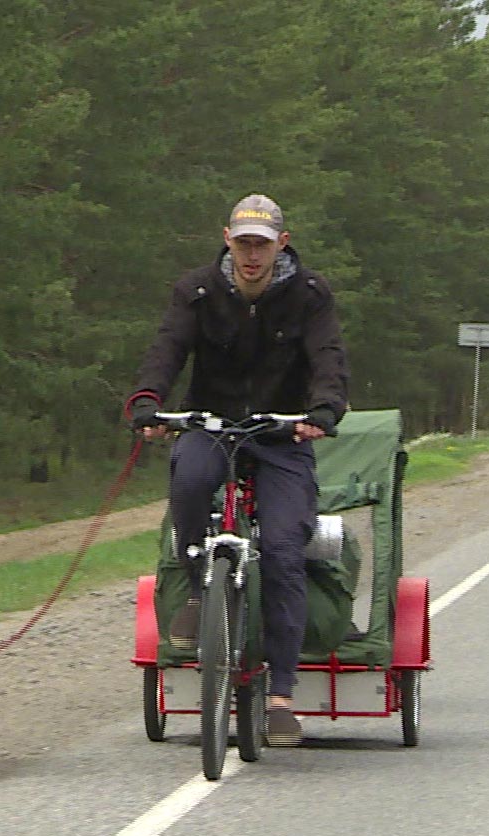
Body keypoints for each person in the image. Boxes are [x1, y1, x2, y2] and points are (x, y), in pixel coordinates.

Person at [123, 193, 350, 746]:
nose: (253, 255)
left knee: (282, 548)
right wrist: (149, 400)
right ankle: (199, 585)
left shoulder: (310, 294)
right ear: (227, 238)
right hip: (211, 423)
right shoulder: (196, 291)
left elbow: (329, 358)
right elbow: (167, 348)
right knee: (192, 480)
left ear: (282, 244)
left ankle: (280, 699)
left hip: (281, 433)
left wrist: (324, 409)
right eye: (244, 243)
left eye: (263, 245)